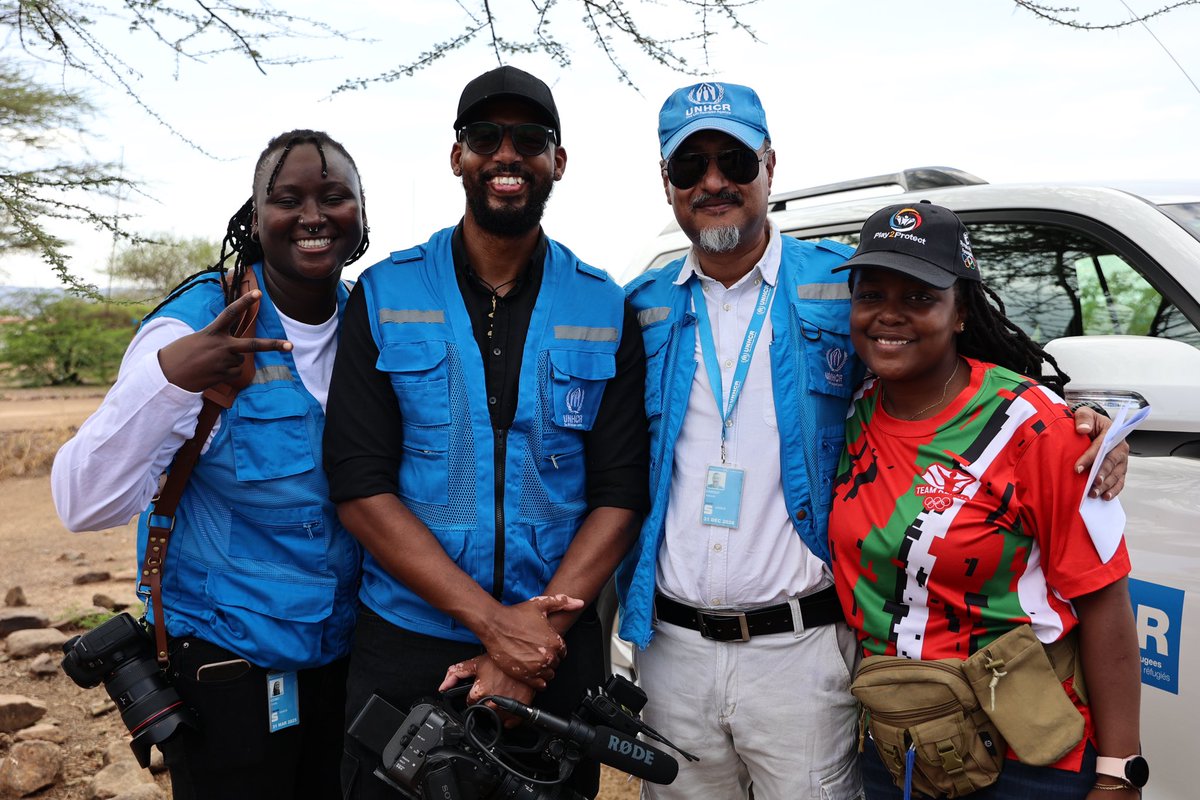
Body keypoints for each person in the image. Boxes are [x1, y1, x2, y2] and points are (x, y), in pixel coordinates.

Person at [616, 82, 1128, 800]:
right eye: (688, 165)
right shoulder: (638, 307)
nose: (713, 181)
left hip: (800, 650)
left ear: (768, 164)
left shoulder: (841, 286)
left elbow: (949, 353)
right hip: (671, 648)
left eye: (733, 159)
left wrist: (1087, 415)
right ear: (665, 181)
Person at [323, 65, 649, 799]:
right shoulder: (386, 291)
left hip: (553, 651)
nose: (508, 155)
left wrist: (533, 641)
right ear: (458, 155)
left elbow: (620, 490)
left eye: (530, 139)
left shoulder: (603, 303)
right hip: (409, 641)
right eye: (486, 137)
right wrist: (493, 628)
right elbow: (358, 481)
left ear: (557, 161)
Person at [51, 129, 370, 799]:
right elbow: (82, 502)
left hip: (340, 661)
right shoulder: (191, 325)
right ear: (255, 218)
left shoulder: (369, 326)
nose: (313, 215)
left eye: (334, 196)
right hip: (227, 669)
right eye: (288, 199)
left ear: (361, 215)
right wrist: (169, 378)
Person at [829, 202, 1142, 800]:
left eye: (919, 297)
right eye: (871, 295)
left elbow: (1104, 603)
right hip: (899, 750)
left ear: (961, 312)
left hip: (1026, 756)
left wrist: (1118, 773)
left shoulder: (1035, 428)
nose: (889, 316)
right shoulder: (848, 410)